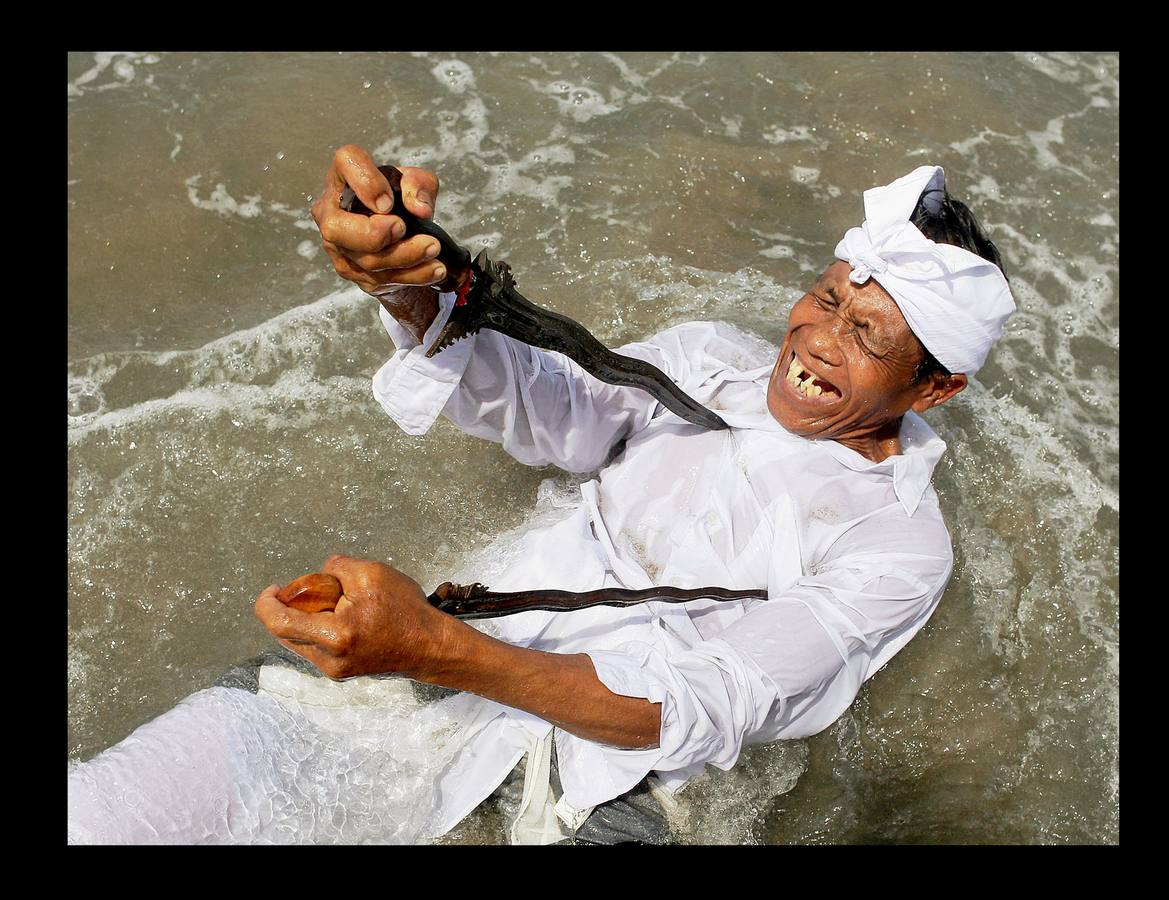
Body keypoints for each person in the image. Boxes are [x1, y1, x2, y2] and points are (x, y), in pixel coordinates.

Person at [68, 147, 1014, 845]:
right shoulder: (708, 361)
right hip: (440, 672)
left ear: (935, 389)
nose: (815, 339)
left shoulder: (898, 546)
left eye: (868, 337)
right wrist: (410, 288)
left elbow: (698, 706)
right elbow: (545, 407)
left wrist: (431, 645)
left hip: (606, 792)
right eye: (823, 298)